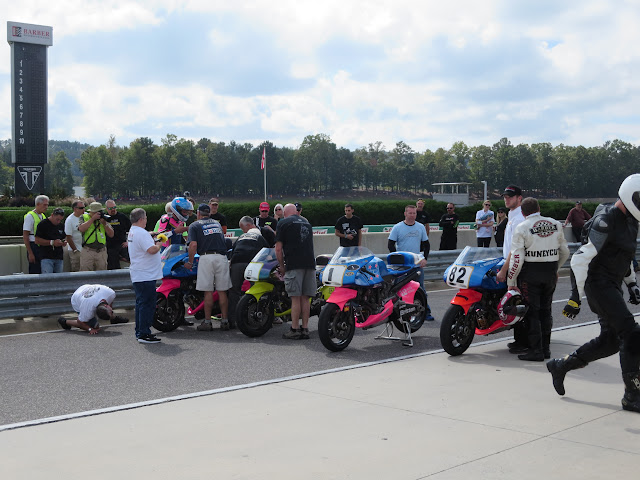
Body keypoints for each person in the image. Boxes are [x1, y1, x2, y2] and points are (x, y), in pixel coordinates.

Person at [547, 174, 640, 413]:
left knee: (610, 341)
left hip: (612, 283)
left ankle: (561, 366)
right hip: (597, 284)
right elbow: (580, 260)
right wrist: (575, 297)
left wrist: (631, 284)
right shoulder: (606, 220)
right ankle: (633, 395)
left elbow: (625, 256)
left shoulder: (632, 222)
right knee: (630, 333)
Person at [506, 198, 569, 361]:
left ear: (522, 212)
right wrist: (556, 268)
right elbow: (565, 252)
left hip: (530, 274)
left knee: (532, 313)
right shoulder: (555, 224)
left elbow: (517, 258)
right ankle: (546, 349)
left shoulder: (522, 227)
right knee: (546, 311)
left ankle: (536, 351)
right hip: (550, 271)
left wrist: (511, 282)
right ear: (539, 208)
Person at [185, 204, 232, 331]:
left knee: (208, 291)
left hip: (206, 258)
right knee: (222, 291)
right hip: (222, 257)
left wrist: (189, 262)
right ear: (209, 213)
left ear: (198, 213)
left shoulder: (195, 225)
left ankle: (207, 322)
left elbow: (193, 245)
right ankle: (225, 321)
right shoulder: (217, 224)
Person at [276, 203, 316, 339]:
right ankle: (305, 329)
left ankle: (294, 329)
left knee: (295, 298)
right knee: (305, 298)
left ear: (285, 213)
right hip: (310, 264)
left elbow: (278, 249)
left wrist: (282, 266)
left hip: (294, 264)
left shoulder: (283, 223)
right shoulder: (306, 223)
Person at [388, 205, 434, 321]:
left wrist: (424, 258)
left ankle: (425, 312)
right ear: (405, 214)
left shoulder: (420, 227)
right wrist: (397, 258)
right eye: (410, 213)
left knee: (421, 289)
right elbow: (390, 244)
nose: (412, 215)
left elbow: (426, 245)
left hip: (416, 264)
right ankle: (397, 313)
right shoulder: (398, 227)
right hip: (401, 266)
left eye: (414, 213)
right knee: (399, 289)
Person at [495, 185, 526, 353]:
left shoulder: (519, 218)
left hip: (517, 265)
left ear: (519, 198)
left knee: (517, 303)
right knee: (515, 302)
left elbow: (516, 249)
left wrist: (505, 269)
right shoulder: (513, 216)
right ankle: (519, 339)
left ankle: (523, 341)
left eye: (510, 196)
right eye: (505, 196)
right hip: (512, 262)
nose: (506, 199)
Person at [127, 208, 163, 344]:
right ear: (141, 219)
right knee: (147, 304)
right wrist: (159, 242)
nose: (146, 220)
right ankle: (144, 333)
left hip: (139, 273)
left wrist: (151, 235)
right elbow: (152, 250)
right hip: (145, 275)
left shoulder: (133, 231)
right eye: (146, 218)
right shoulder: (141, 233)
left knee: (141, 304)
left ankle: (140, 331)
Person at [229, 216, 269, 327]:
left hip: (237, 263)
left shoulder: (241, 237)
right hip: (252, 264)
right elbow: (266, 253)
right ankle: (260, 318)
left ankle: (231, 320)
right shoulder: (259, 237)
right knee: (257, 291)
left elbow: (232, 252)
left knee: (233, 292)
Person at [57, 284, 129, 334]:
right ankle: (64, 321)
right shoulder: (87, 309)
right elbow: (80, 322)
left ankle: (114, 319)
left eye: (112, 312)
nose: (112, 311)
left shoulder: (110, 294)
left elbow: (110, 303)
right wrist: (90, 329)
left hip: (86, 288)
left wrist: (111, 316)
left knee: (98, 321)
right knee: (93, 326)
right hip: (77, 298)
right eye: (112, 312)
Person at [78, 202, 114, 271]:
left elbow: (111, 234)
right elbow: (81, 229)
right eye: (96, 212)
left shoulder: (103, 219)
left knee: (102, 275)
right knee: (85, 274)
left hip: (101, 251)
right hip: (88, 251)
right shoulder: (84, 217)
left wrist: (104, 223)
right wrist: (92, 219)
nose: (99, 214)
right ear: (91, 212)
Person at [34, 208, 67, 273]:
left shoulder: (61, 225)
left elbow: (64, 237)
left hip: (59, 257)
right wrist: (51, 242)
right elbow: (37, 240)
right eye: (57, 219)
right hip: (46, 257)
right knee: (47, 279)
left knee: (58, 279)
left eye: (60, 220)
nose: (58, 222)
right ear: (52, 215)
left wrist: (63, 242)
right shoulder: (43, 224)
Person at [22, 194, 49, 274]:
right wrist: (30, 253)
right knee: (35, 270)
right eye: (44, 205)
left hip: (41, 246)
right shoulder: (30, 216)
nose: (46, 207)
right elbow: (25, 235)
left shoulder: (43, 216)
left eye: (47, 205)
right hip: (33, 246)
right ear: (38, 204)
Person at [105, 200, 131, 270]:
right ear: (106, 209)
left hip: (122, 244)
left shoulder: (122, 217)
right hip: (110, 247)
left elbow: (132, 229)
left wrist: (128, 241)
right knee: (113, 267)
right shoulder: (104, 218)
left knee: (131, 258)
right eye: (110, 208)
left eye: (114, 207)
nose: (113, 210)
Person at [65, 200, 85, 272]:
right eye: (81, 208)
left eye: (84, 207)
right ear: (75, 209)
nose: (84, 209)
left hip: (86, 250)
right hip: (76, 251)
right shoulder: (69, 220)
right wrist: (75, 250)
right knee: (76, 270)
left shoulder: (86, 216)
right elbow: (68, 237)